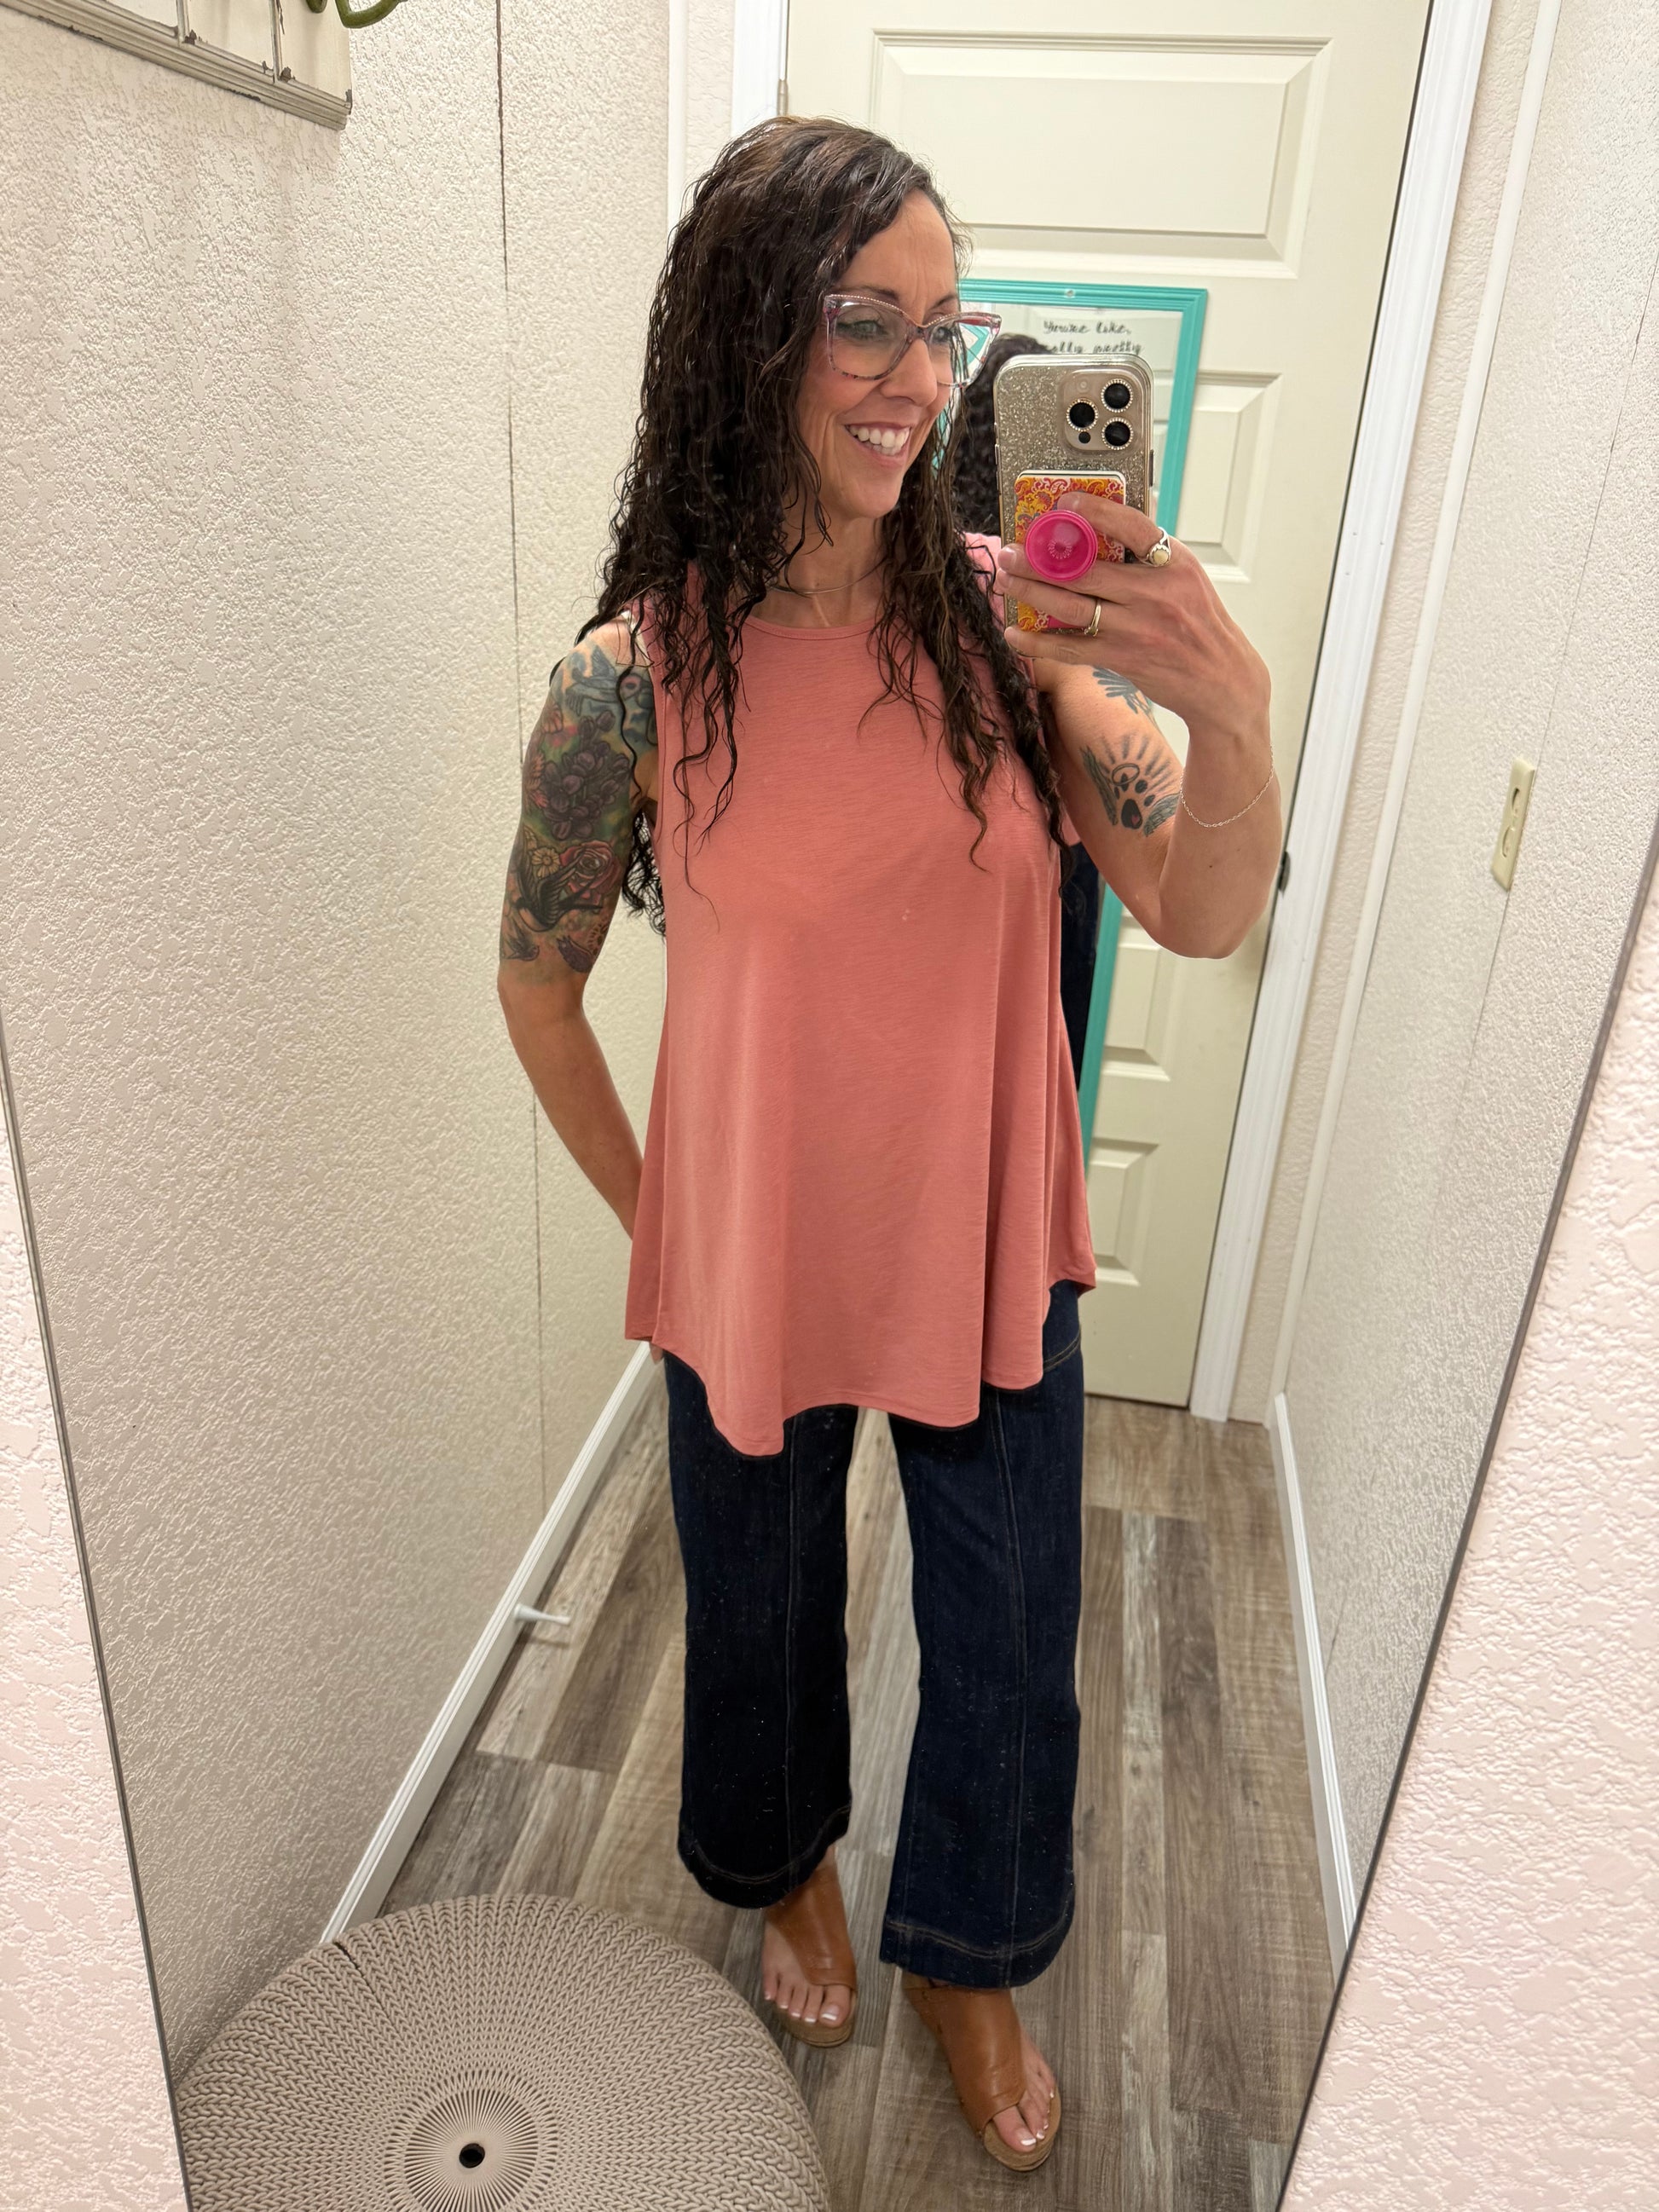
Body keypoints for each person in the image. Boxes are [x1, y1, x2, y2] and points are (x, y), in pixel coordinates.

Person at [497, 117, 1278, 2174]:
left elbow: (1203, 906)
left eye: (947, 328)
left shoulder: (1017, 640)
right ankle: (789, 1871)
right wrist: (671, 1220)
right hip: (755, 1262)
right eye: (870, 322)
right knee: (755, 1619)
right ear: (747, 330)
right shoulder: (625, 684)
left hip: (989, 1241)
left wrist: (1234, 707)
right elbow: (535, 985)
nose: (922, 378)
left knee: (1010, 1640)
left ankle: (968, 1953)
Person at [953, 332, 1103, 1088]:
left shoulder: (940, 567)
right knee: (1043, 1069)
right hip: (1060, 846)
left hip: (987, 845)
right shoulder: (965, 569)